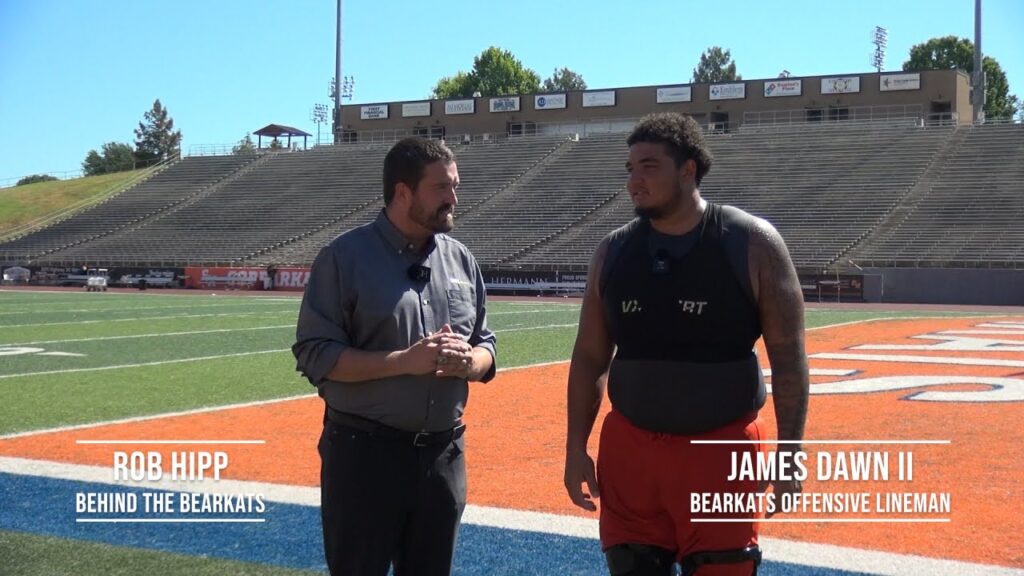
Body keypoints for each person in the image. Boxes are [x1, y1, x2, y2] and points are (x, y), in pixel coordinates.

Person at [563, 113, 809, 576]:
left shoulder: (752, 243)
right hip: (632, 457)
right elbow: (590, 356)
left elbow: (789, 360)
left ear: (689, 169)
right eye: (630, 169)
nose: (634, 181)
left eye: (650, 167)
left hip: (720, 454)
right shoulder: (611, 252)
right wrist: (576, 447)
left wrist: (792, 452)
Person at [293, 136, 497, 576]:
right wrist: (404, 361)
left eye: (455, 186)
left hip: (443, 456)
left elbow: (487, 345)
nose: (453, 198)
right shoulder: (343, 258)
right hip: (365, 456)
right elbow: (315, 354)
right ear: (403, 193)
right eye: (441, 188)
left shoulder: (461, 260)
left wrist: (471, 363)